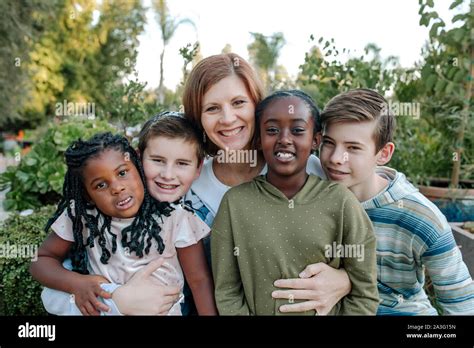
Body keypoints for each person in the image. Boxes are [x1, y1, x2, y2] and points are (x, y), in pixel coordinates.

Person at [183, 53, 352, 314]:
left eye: (238, 102)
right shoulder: (190, 188)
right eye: (212, 108)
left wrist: (345, 279)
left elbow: (362, 236)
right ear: (198, 118)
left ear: (257, 105)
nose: (227, 118)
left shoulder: (311, 169)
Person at [211, 90, 379, 315]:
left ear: (316, 140)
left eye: (298, 130)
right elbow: (227, 291)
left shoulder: (341, 203)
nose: (284, 139)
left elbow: (364, 294)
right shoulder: (235, 204)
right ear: (259, 140)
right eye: (272, 130)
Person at [318, 88, 474, 315]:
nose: (334, 158)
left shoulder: (420, 217)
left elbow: (462, 306)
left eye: (353, 148)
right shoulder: (314, 195)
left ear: (383, 153)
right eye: (329, 143)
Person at [30, 131, 216, 315]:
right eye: (100, 185)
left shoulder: (176, 217)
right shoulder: (82, 216)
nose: (117, 188)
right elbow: (41, 260)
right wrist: (77, 283)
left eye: (122, 172)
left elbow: (199, 280)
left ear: (137, 165)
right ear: (88, 195)